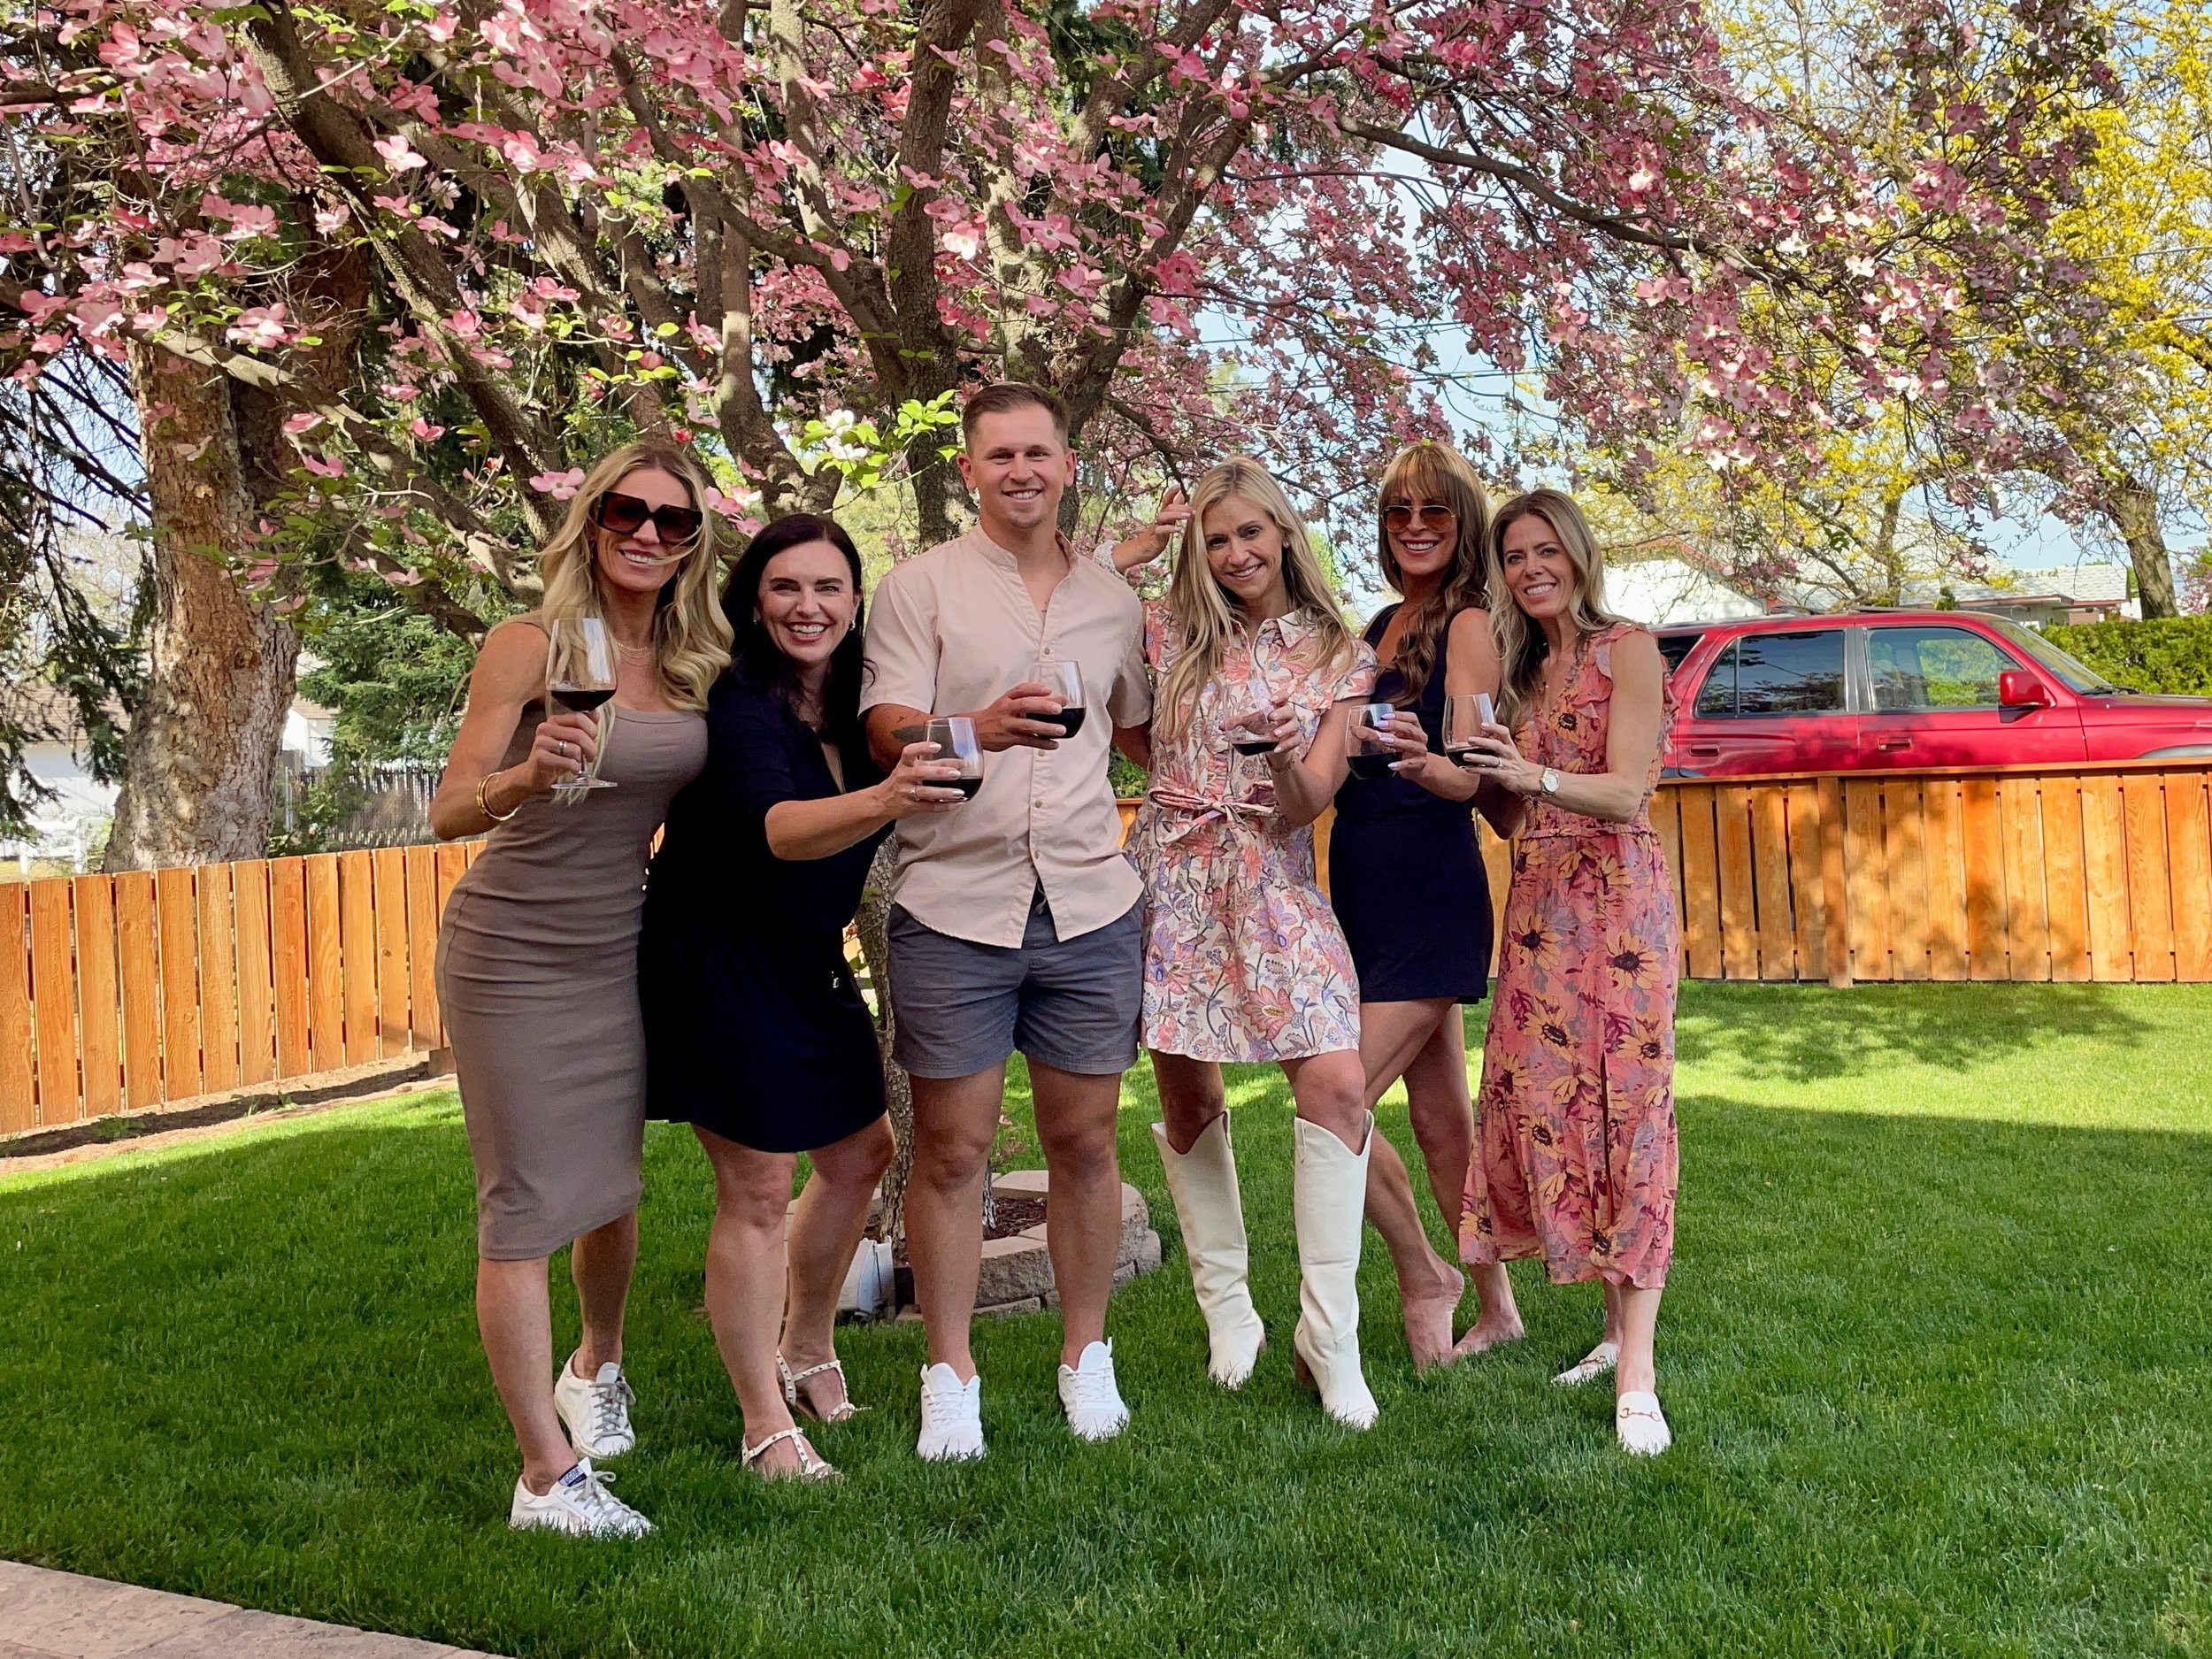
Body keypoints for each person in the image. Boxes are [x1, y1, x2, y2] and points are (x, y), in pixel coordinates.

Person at [430, 442, 729, 1535]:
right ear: (590, 520)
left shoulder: (697, 662)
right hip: (511, 949)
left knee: (611, 1189)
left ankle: (596, 1365)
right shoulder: (531, 645)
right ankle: (545, 1479)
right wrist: (525, 775)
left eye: (672, 521)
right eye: (625, 512)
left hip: (618, 946)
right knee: (522, 1208)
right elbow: (449, 810)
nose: (646, 533)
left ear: (692, 545)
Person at [639, 515, 965, 1481]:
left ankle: (806, 1346)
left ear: (855, 601)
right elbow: (777, 829)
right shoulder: (740, 699)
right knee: (756, 1187)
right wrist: (890, 798)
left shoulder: (861, 703)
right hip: (715, 956)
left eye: (828, 587)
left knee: (862, 1152)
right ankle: (762, 1425)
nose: (807, 606)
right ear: (754, 599)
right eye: (785, 586)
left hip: (804, 956)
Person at [861, 381, 1152, 1460]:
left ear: (1069, 464)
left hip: (1089, 904)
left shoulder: (1114, 601)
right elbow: (885, 724)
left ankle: (1086, 1357)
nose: (1021, 471)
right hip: (953, 904)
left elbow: (1138, 731)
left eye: (1038, 453)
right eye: (1000, 456)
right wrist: (972, 728)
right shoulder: (919, 586)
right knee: (951, 1152)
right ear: (968, 470)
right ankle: (950, 1376)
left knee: (1086, 1142)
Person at [1120, 457, 1385, 1429]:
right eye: (1216, 538)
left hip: (1274, 878)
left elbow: (1308, 801)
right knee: (1187, 1090)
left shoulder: (1339, 654)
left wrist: (1277, 755)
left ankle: (1331, 1337)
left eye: (1249, 532)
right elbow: (1111, 693)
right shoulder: (1165, 630)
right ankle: (1229, 1314)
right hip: (1173, 878)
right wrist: (1137, 548)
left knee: (1337, 1081)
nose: (1235, 553)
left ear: (1282, 534)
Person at [1455, 488, 1682, 1456]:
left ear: (1579, 555)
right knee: (1555, 1106)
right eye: (1515, 557)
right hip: (1540, 912)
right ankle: (1608, 1331)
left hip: (1620, 907)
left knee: (1629, 1111)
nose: (1531, 569)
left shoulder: (1629, 649)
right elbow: (1513, 815)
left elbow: (1627, 792)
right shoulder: (1522, 675)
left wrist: (1533, 775)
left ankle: (1638, 1370)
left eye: (1546, 550)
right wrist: (1477, 772)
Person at [1332, 441, 1525, 1369]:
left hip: (1427, 891)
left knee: (1332, 1103)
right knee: (1442, 1120)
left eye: (1434, 511)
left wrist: (1423, 760)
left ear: (1464, 523)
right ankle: (1498, 1307)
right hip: (1364, 891)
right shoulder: (1380, 623)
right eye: (1398, 512)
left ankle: (1424, 1274)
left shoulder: (1471, 623)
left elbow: (1476, 773)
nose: (1414, 526)